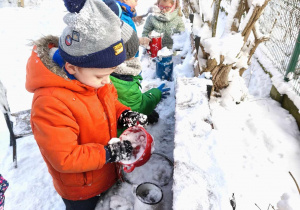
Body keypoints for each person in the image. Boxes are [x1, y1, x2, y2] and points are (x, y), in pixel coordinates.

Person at [25, 0, 147, 209]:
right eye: (102, 75)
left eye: (110, 74)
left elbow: (108, 104)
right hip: (82, 190)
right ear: (72, 68)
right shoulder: (50, 103)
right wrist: (110, 153)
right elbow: (65, 157)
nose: (107, 81)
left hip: (105, 172)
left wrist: (123, 114)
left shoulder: (91, 79)